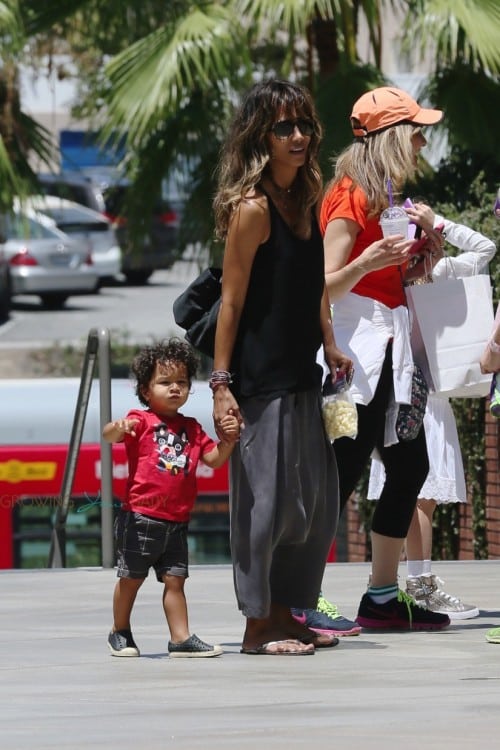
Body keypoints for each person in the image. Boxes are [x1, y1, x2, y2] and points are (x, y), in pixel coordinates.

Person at [211, 78, 353, 656]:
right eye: (283, 127)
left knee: (312, 507)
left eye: (304, 126)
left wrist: (330, 339)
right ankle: (256, 627)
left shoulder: (308, 196)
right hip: (260, 380)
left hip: (302, 373)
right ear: (261, 137)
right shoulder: (252, 208)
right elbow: (232, 302)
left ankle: (286, 614)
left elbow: (315, 281)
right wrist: (221, 386)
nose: (298, 137)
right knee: (265, 506)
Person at [320, 85, 452, 630]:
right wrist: (371, 258)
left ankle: (379, 596)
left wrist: (420, 261)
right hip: (354, 358)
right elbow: (323, 286)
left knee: (410, 466)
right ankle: (301, 594)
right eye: (417, 132)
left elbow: (387, 281)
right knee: (341, 473)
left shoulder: (389, 194)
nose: (424, 142)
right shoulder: (350, 194)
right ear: (392, 137)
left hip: (392, 352)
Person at [368, 203, 496, 619]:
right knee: (418, 495)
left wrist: (436, 223)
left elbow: (485, 248)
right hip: (413, 395)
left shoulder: (435, 274)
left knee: (424, 497)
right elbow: (485, 248)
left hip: (431, 395)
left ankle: (419, 583)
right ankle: (419, 585)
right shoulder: (395, 280)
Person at [104, 338, 239, 658]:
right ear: (146, 390)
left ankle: (180, 638)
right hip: (140, 517)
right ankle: (119, 631)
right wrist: (118, 427)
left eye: (182, 382)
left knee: (175, 581)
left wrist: (229, 439)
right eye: (165, 382)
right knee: (131, 578)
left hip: (177, 520)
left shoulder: (192, 428)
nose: (175, 388)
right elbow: (110, 434)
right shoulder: (141, 419)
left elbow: (213, 459)